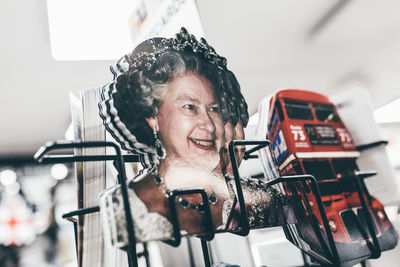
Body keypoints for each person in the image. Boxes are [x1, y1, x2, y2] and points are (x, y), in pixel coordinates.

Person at [99, 28, 293, 246]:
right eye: (189, 107)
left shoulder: (260, 199)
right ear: (152, 117)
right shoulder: (129, 207)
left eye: (214, 109)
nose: (209, 126)